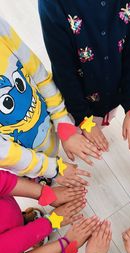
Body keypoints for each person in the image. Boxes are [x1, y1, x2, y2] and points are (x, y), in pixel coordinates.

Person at [0, 16, 101, 187]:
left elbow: (37, 71)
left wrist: (62, 121)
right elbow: (7, 154)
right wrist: (50, 169)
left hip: (48, 123)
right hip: (21, 158)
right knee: (33, 173)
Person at [38, 0, 130, 151]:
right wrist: (82, 118)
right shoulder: (53, 3)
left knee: (98, 126)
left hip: (110, 90)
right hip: (75, 98)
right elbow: (63, 67)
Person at [0, 169, 88, 253]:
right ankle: (34, 232)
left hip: (6, 207)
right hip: (10, 242)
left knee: (14, 219)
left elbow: (3, 181)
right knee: (22, 241)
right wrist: (49, 222)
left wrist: (44, 193)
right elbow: (9, 246)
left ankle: (26, 220)